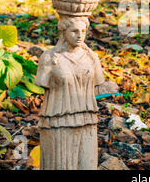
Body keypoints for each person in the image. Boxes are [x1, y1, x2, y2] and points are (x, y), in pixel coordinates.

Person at [35, 16, 104, 170]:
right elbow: (41, 82)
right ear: (63, 32)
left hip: (87, 119)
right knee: (60, 164)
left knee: (87, 163)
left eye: (83, 31)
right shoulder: (50, 58)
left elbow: (99, 80)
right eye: (74, 31)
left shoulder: (91, 57)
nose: (80, 35)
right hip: (58, 119)